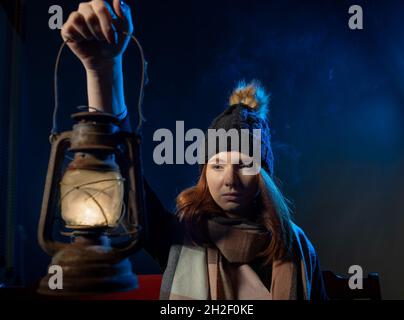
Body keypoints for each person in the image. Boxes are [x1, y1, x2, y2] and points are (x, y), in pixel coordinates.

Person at [60, 0, 327, 300]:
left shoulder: (299, 249)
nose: (229, 179)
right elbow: (124, 178)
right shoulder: (181, 236)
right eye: (217, 165)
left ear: (264, 174)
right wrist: (104, 70)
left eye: (244, 165)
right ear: (203, 172)